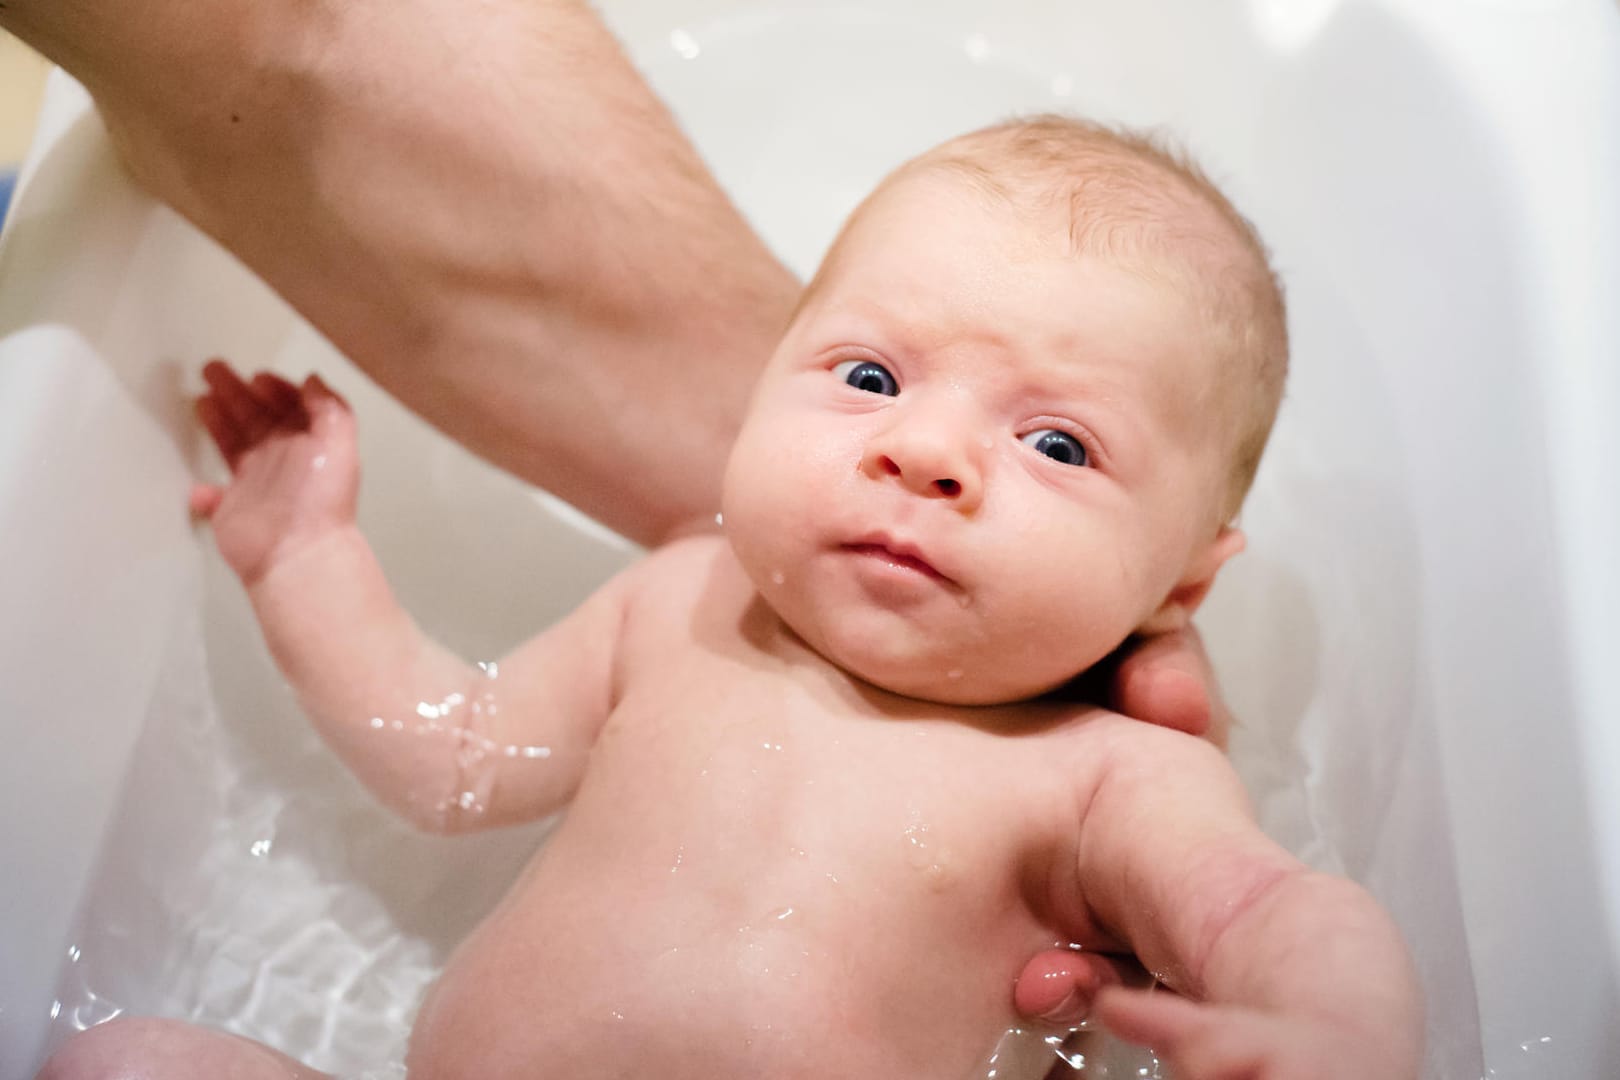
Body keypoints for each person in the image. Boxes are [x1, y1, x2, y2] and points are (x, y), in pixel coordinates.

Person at [43, 116, 1421, 1079]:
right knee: (119, 1062)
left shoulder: (1101, 778)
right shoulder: (681, 602)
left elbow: (1263, 915)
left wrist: (1325, 1033)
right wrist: (305, 565)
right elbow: (456, 756)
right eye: (872, 378)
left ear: (1181, 580)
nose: (925, 453)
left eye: (1056, 444)